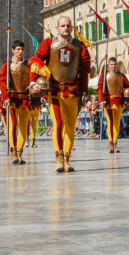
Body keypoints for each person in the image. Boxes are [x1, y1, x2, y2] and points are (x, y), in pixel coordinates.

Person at [29, 16, 91, 173]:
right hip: (55, 91)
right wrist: (33, 82)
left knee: (70, 125)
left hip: (72, 91)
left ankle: (68, 158)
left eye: (68, 25)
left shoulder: (80, 46)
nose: (65, 28)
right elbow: (36, 61)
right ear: (57, 28)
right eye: (62, 25)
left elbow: (84, 72)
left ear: (72, 28)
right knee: (58, 123)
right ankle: (59, 158)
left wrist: (84, 92)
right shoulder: (49, 44)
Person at [0, 41, 35, 164]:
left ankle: (20, 151)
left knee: (24, 128)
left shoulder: (28, 65)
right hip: (13, 99)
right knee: (12, 126)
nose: (20, 52)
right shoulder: (7, 66)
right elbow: (3, 81)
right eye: (18, 49)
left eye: (22, 49)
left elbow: (32, 81)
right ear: (13, 50)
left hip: (25, 98)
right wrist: (5, 96)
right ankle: (13, 151)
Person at [97, 57, 129, 154]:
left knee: (116, 123)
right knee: (110, 122)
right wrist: (102, 101)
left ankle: (115, 143)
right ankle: (110, 144)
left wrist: (128, 99)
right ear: (108, 65)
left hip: (119, 101)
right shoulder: (104, 75)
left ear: (117, 64)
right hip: (108, 102)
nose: (113, 66)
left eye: (115, 64)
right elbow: (100, 88)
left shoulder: (121, 75)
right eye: (111, 64)